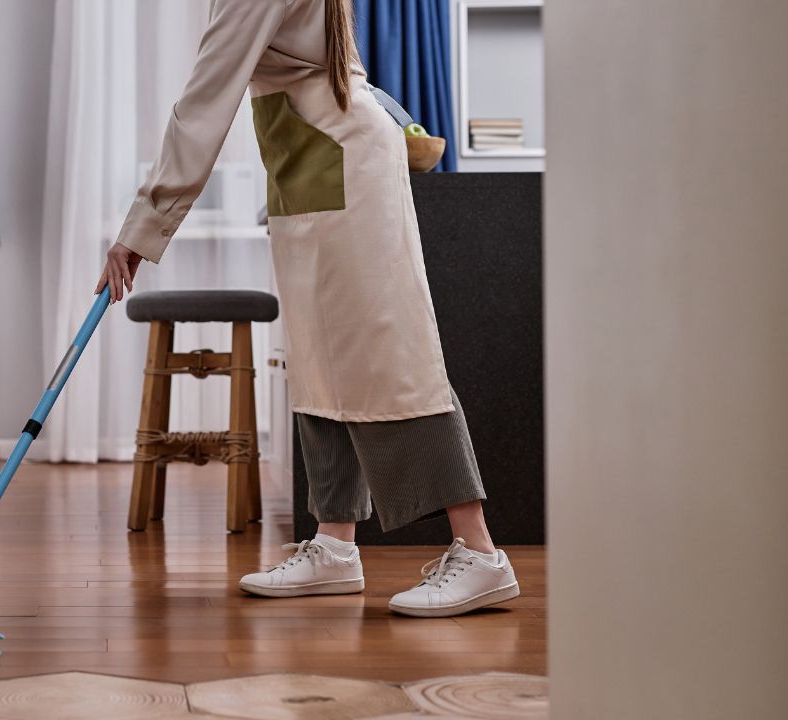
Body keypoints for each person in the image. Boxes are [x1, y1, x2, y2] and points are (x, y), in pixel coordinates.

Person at [96, 0, 519, 618]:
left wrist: (144, 225)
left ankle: (479, 552)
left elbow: (207, 97)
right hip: (306, 166)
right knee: (319, 356)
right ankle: (335, 544)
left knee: (390, 353)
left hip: (341, 162)